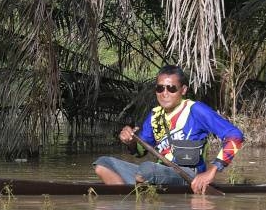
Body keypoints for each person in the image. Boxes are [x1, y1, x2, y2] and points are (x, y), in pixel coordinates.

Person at [94, 65, 243, 195]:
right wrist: (130, 141)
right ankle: (126, 207)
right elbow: (140, 151)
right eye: (160, 88)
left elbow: (235, 136)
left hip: (188, 175)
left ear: (183, 90)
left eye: (171, 88)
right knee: (102, 164)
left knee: (146, 170)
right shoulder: (155, 115)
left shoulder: (195, 110)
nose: (165, 93)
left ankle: (139, 200)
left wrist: (212, 171)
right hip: (158, 172)